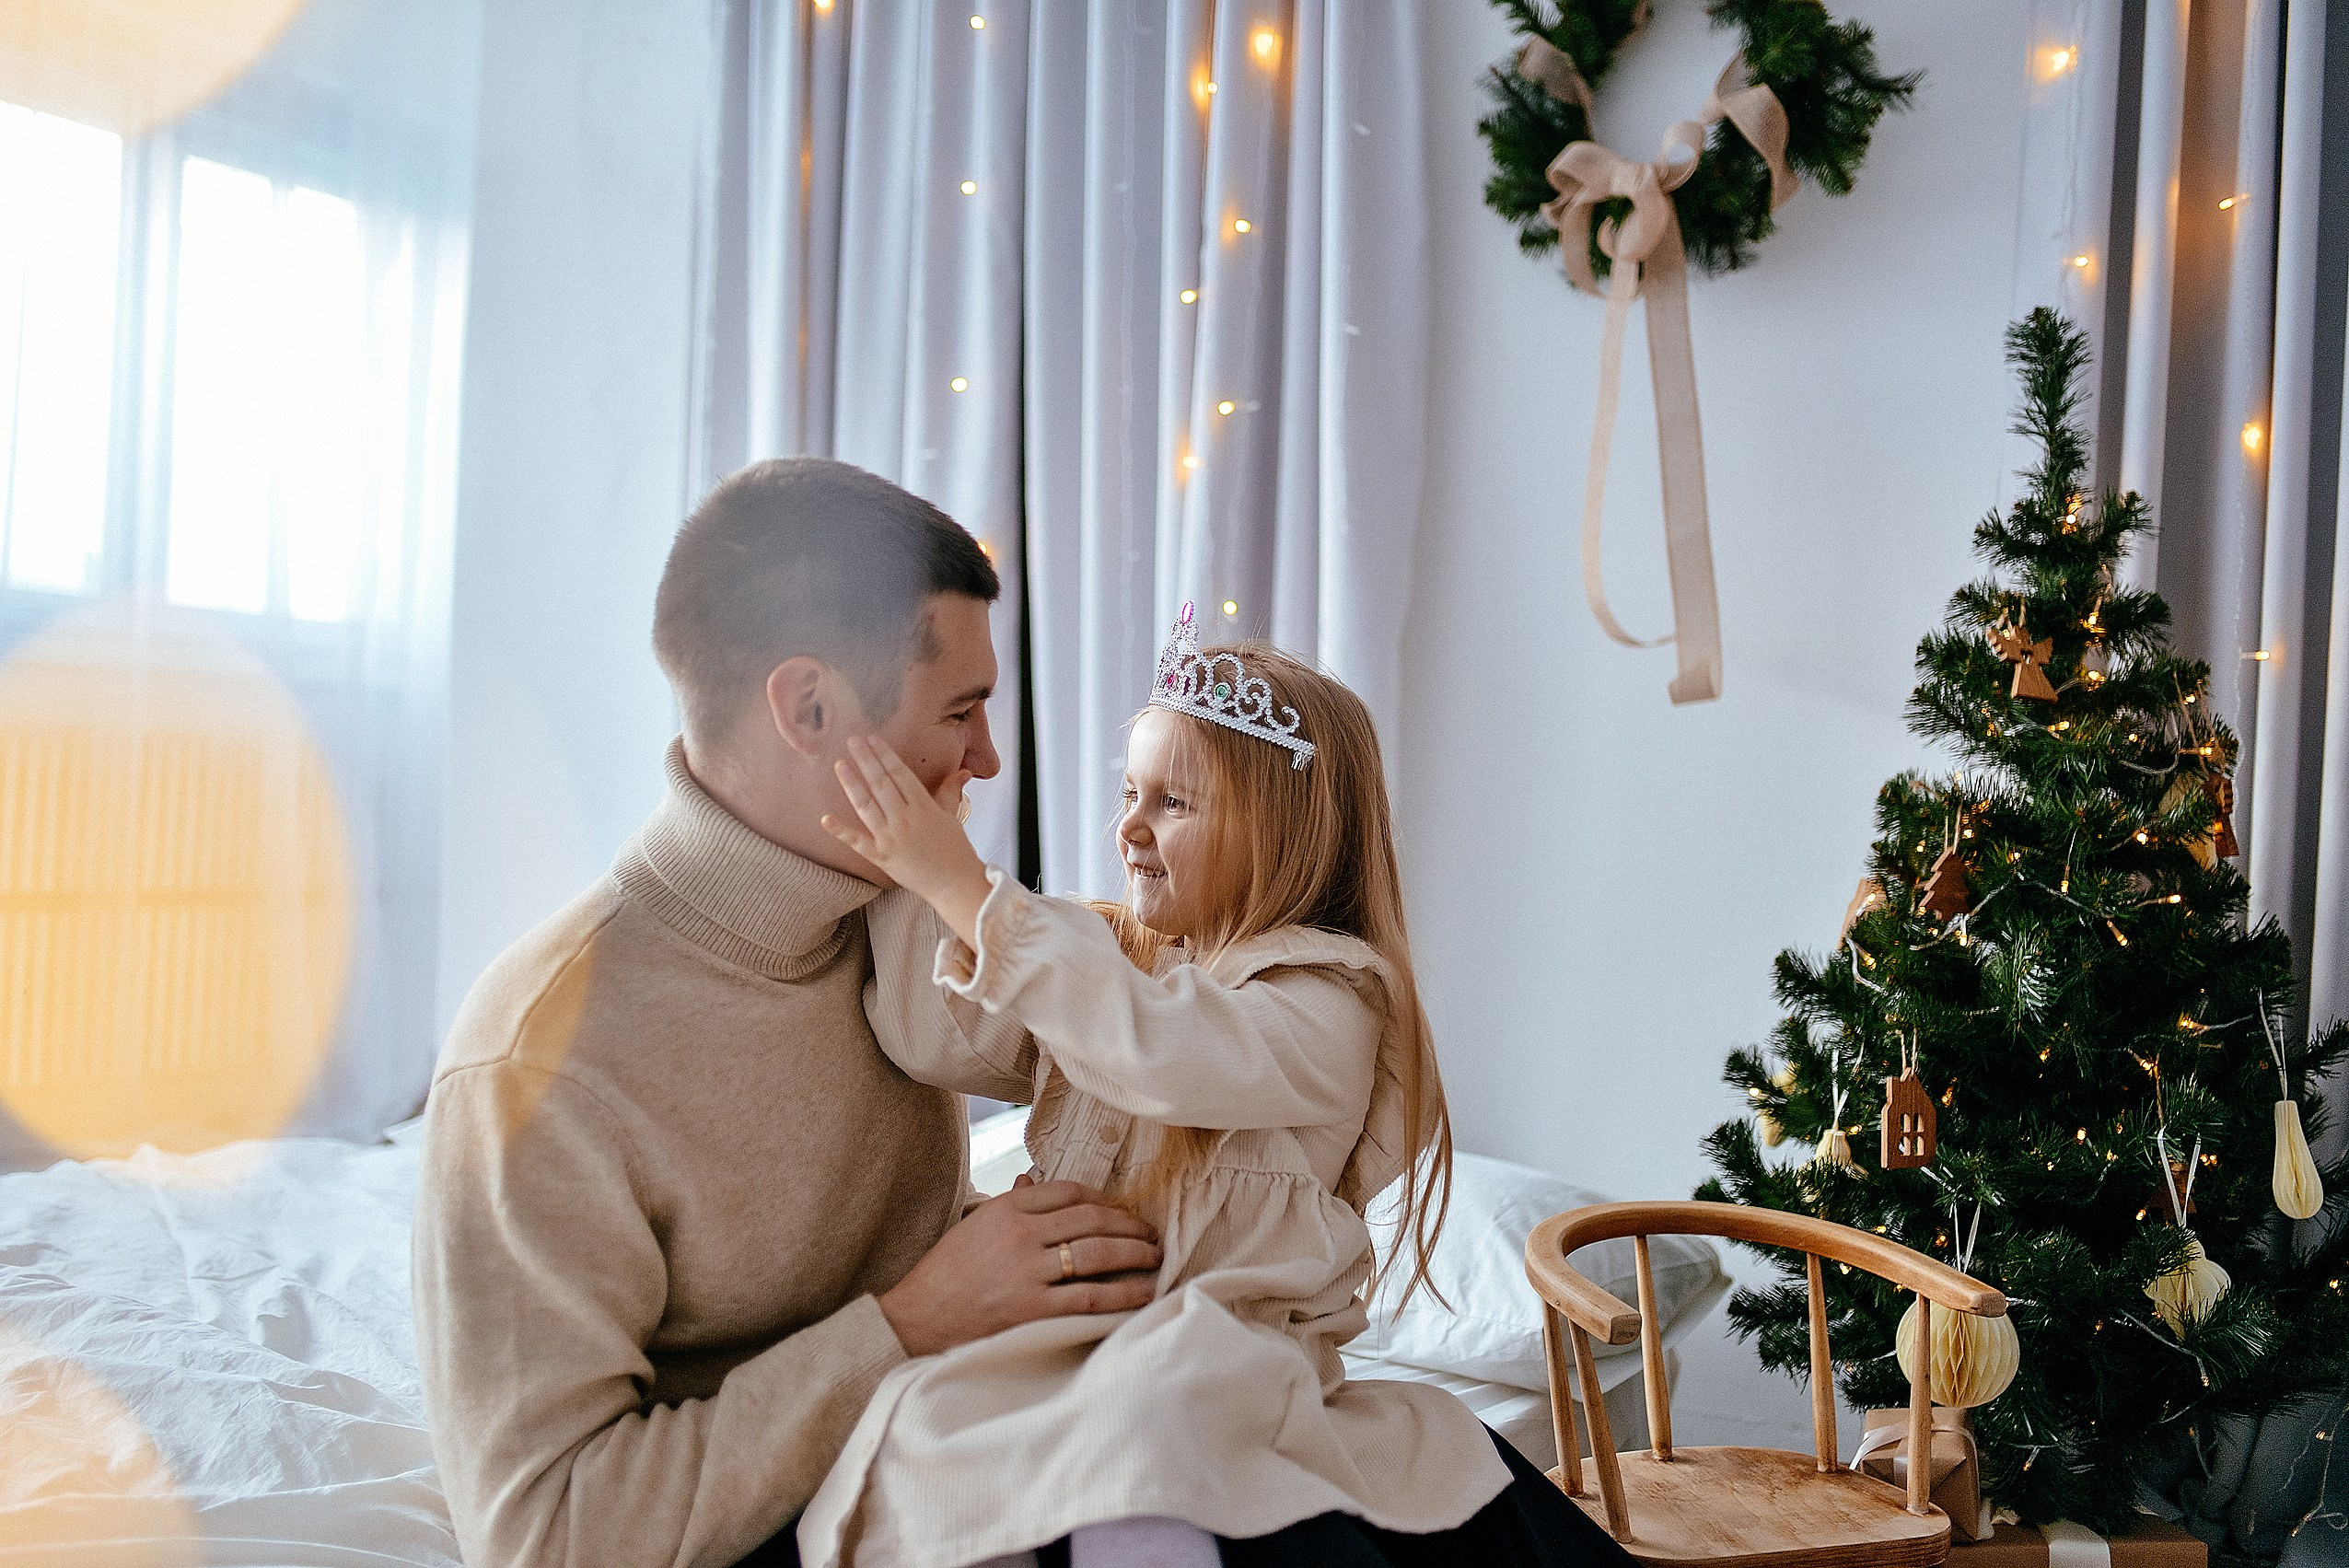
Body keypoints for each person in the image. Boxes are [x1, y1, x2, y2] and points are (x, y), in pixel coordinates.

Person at [411, 459, 1166, 1568]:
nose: (987, 759)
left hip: (959, 1435)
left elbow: (1124, 1045)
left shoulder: (891, 898)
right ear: (810, 706)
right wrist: (912, 1321)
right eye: (960, 711)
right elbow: (547, 1534)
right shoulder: (539, 1058)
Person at [797, 605, 1637, 1568]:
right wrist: (912, 852)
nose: (1128, 828)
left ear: (1281, 832)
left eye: (1173, 803)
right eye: (1127, 792)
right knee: (924, 1429)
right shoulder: (1107, 962)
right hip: (1079, 1338)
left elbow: (1162, 1052)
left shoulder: (1329, 1000)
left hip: (1222, 1360)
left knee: (1149, 1415)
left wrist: (967, 890)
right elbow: (928, 1031)